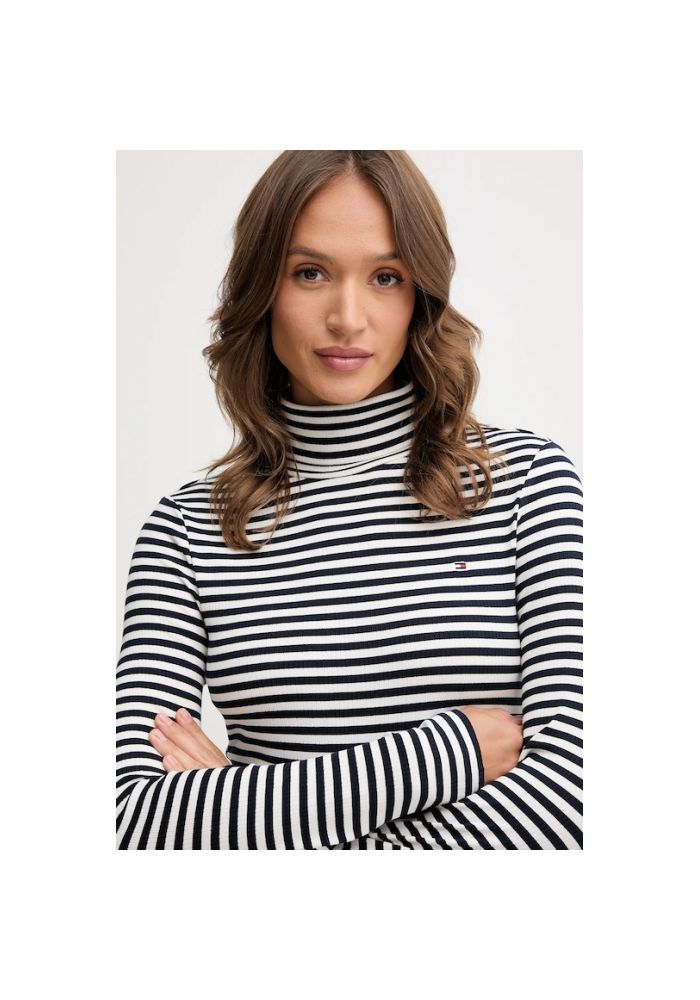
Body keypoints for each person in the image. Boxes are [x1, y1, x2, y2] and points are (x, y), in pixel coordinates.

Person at [116, 150, 583, 849]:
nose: (347, 318)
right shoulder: (185, 532)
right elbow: (133, 821)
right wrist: (446, 753)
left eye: (386, 277)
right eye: (310, 273)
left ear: (420, 296)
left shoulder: (528, 485)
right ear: (261, 286)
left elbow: (572, 800)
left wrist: (244, 816)